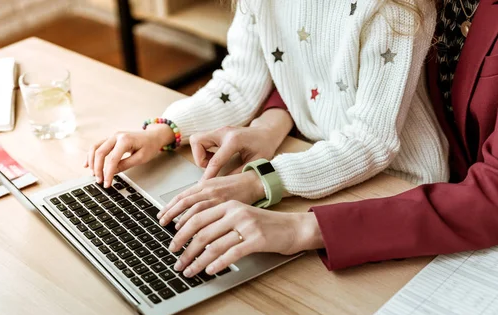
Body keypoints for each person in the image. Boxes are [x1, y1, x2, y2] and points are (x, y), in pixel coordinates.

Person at [85, 0, 454, 276]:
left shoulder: (395, 8)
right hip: (313, 162)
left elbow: (370, 141)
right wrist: (162, 132)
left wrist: (258, 181)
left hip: (394, 187)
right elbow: (239, 86)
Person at [166, 0, 498, 278]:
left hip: (414, 202)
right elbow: (315, 64)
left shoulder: (395, 9)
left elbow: (489, 196)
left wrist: (291, 216)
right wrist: (168, 128)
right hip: (343, 170)